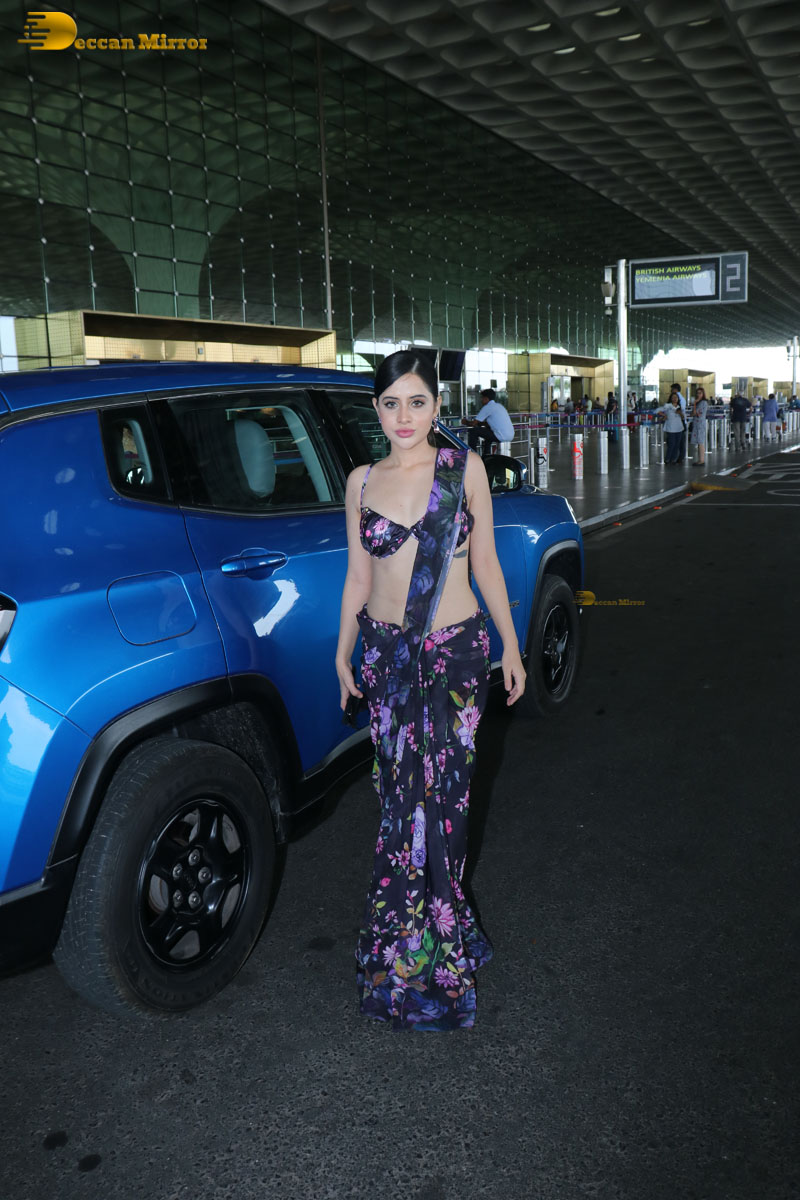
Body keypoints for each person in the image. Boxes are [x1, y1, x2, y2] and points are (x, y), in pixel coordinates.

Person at [336, 350, 525, 1031]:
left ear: (438, 406)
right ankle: (402, 944)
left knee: (443, 807)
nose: (404, 416)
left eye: (417, 402)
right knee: (398, 806)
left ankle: (439, 949)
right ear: (377, 409)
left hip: (452, 659)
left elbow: (488, 565)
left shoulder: (464, 470)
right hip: (388, 659)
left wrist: (511, 644)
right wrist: (341, 652)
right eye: (391, 403)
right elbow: (359, 577)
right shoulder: (361, 482)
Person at [464, 387, 515, 457]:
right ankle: (486, 456)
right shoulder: (500, 406)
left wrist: (465, 422)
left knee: (473, 431)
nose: (481, 400)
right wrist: (480, 424)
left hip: (501, 436)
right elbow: (492, 423)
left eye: (482, 398)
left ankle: (473, 455)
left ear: (486, 398)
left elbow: (473, 424)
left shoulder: (487, 407)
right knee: (488, 433)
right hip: (510, 435)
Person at [657, 390, 685, 464]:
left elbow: (683, 417)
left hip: (679, 428)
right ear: (671, 398)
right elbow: (658, 411)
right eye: (673, 397)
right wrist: (664, 415)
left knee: (677, 444)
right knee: (671, 444)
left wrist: (680, 413)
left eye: (676, 397)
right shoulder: (668, 406)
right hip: (670, 428)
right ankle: (667, 458)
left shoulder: (679, 407)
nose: (675, 399)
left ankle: (673, 459)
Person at [691, 386, 709, 466]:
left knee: (700, 442)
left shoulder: (703, 403)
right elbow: (692, 413)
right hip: (697, 423)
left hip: (700, 424)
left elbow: (696, 413)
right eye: (697, 393)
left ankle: (702, 460)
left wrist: (695, 404)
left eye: (700, 393)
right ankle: (700, 459)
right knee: (699, 442)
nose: (698, 395)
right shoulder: (699, 403)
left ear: (703, 394)